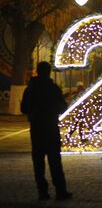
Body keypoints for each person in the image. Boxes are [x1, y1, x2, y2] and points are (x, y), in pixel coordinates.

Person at [20, 61, 72, 201]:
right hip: (50, 128)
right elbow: (62, 108)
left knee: (38, 163)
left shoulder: (30, 89)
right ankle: (61, 191)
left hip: (36, 129)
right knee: (55, 161)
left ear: (37, 71)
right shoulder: (53, 88)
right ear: (49, 72)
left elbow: (23, 108)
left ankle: (42, 192)